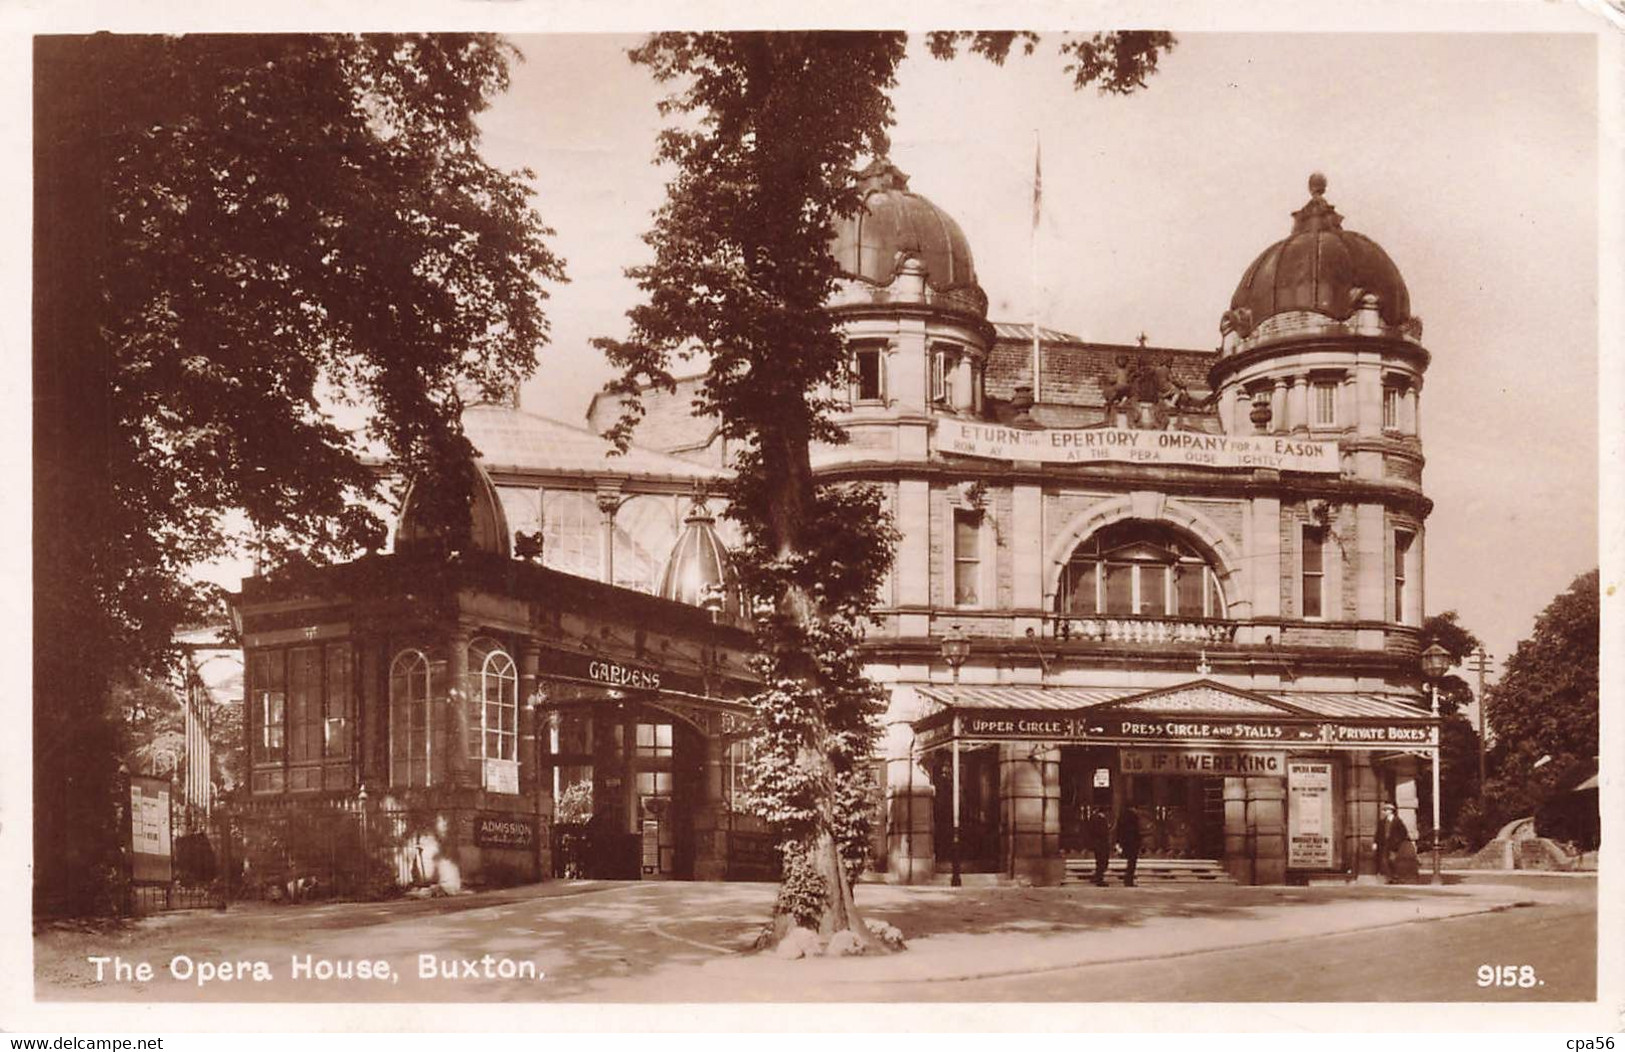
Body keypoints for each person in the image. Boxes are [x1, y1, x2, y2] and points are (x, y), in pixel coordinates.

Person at [1116, 805, 1143, 886]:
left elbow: (1119, 830)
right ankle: (1129, 880)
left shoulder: (1122, 817)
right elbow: (1136, 832)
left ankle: (1128, 880)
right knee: (1131, 863)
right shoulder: (1133, 818)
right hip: (1132, 844)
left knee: (1130, 863)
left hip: (1126, 843)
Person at [1086, 807, 1112, 886]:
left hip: (1098, 844)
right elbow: (1101, 832)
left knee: (1100, 861)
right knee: (1102, 862)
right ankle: (1099, 879)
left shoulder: (1094, 818)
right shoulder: (1100, 819)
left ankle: (1097, 877)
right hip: (1101, 844)